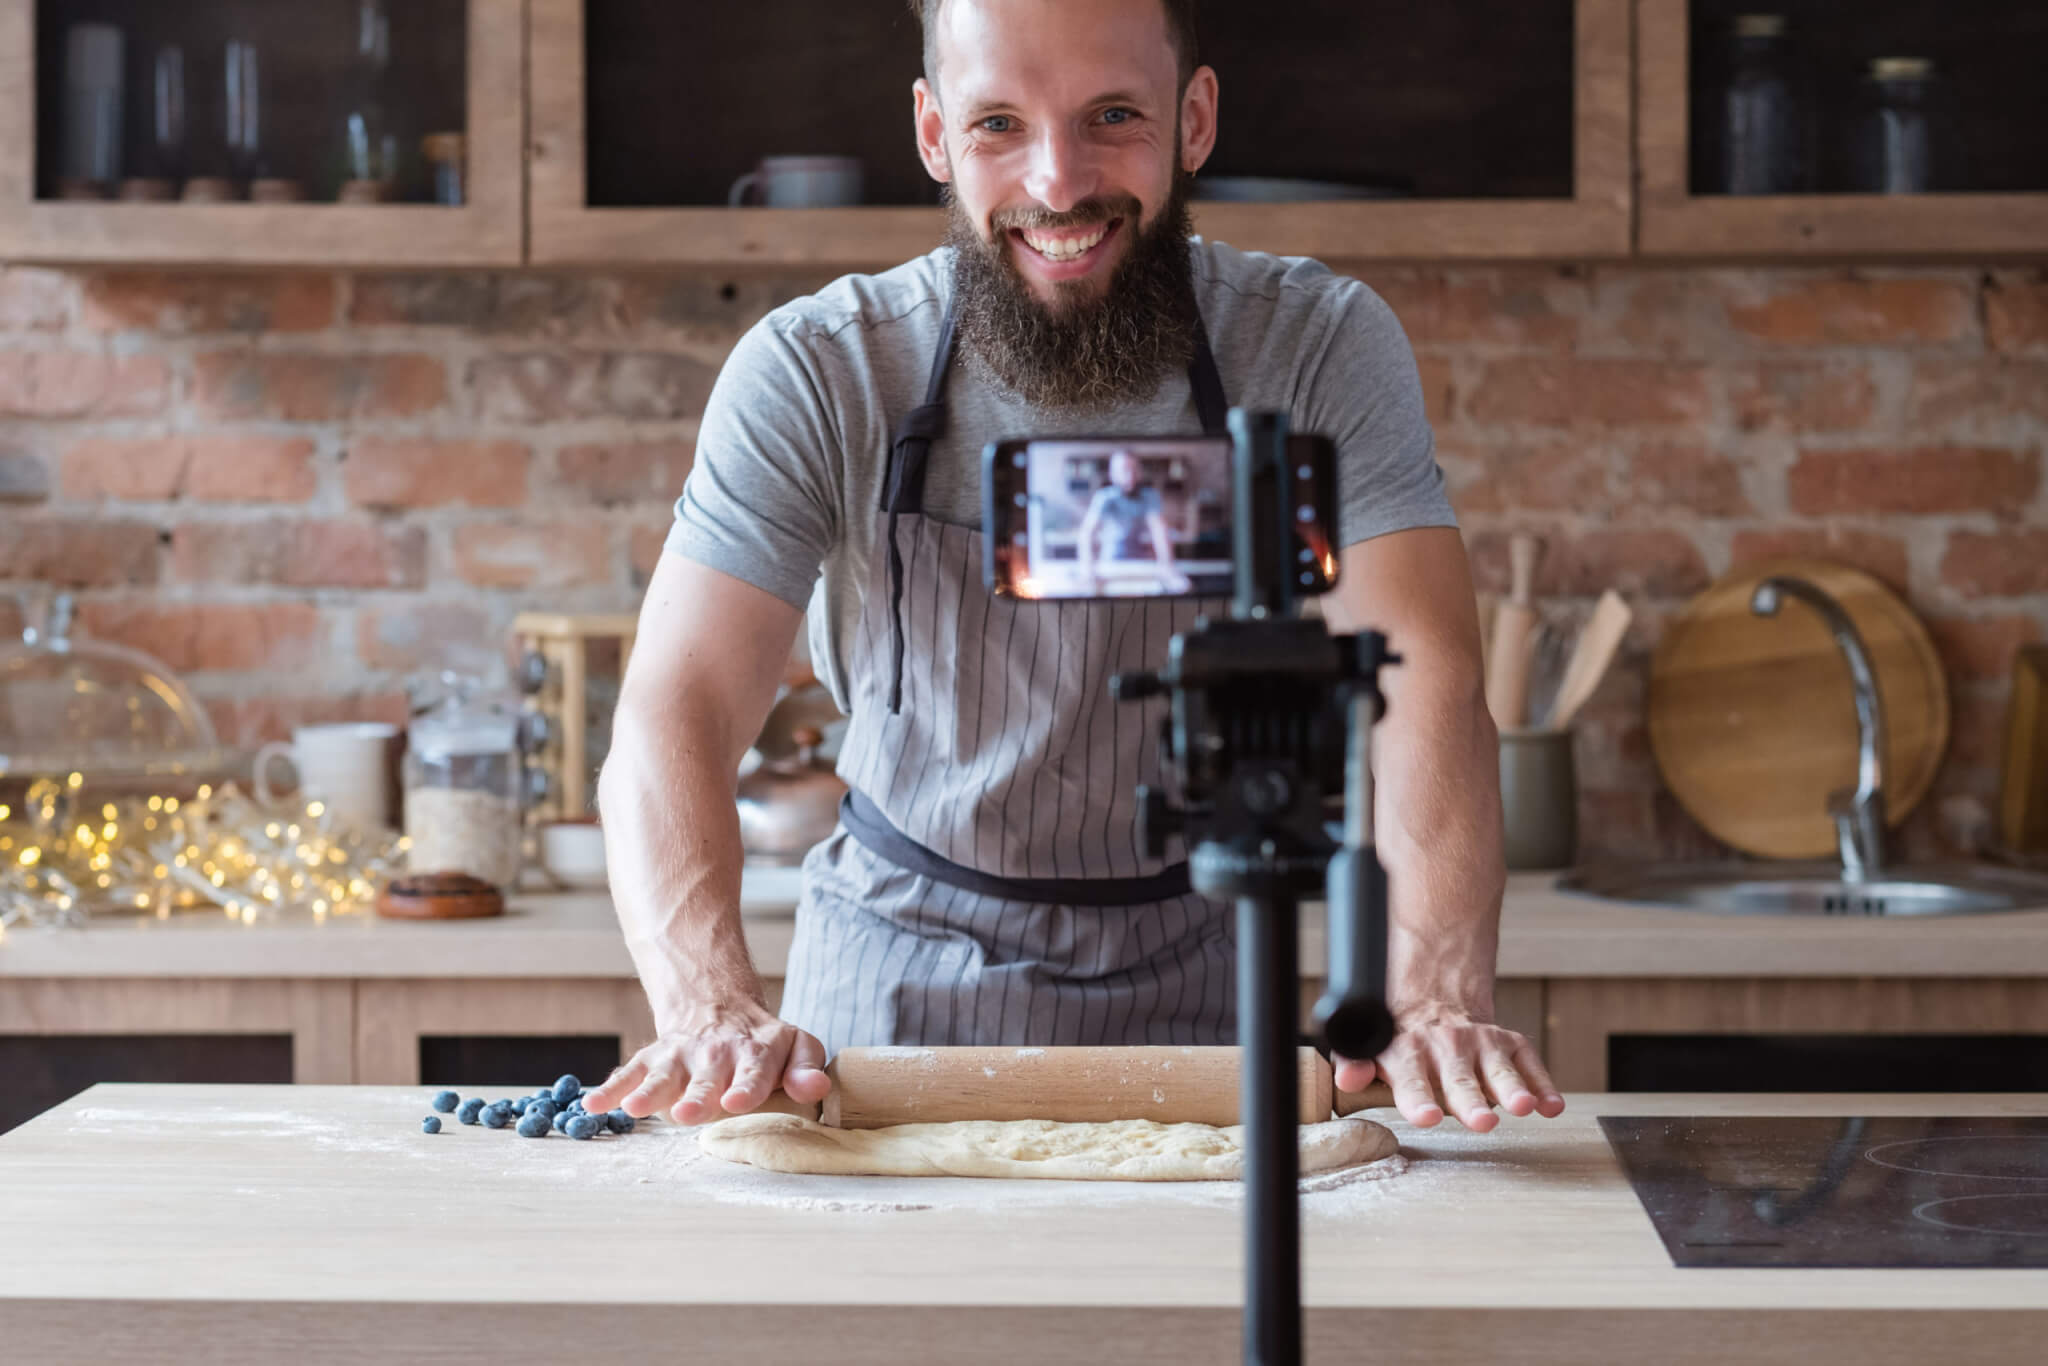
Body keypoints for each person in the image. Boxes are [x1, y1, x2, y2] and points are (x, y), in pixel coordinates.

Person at [582, 0, 1565, 1137]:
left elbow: (1421, 681)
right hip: (881, 1015)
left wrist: (1432, 994)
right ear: (934, 134)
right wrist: (706, 1003)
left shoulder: (1314, 346)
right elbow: (677, 705)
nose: (1058, 183)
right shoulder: (820, 370)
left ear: (1193, 119)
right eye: (998, 122)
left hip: (1204, 1007)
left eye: (1111, 115)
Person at [1074, 449, 1192, 594]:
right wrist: (1086, 568)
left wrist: (1167, 565)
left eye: (1133, 469)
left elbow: (1159, 531)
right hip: (1110, 562)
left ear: (1140, 472)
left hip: (1140, 562)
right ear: (1113, 474)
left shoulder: (1149, 496)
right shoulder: (1104, 497)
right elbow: (1087, 533)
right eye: (1124, 470)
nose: (1129, 476)